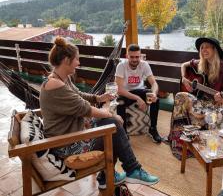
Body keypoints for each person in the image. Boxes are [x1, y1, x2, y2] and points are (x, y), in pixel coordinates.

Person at [39, 37, 159, 190]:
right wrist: (109, 114)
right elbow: (86, 109)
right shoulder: (56, 85)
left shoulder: (60, 79)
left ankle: (108, 176)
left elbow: (79, 95)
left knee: (112, 125)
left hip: (74, 134)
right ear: (66, 60)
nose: (79, 63)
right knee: (114, 125)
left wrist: (99, 98)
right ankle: (132, 169)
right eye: (77, 59)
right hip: (67, 145)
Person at [168, 37, 223, 159]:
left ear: (214, 50)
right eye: (202, 48)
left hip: (214, 105)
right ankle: (179, 139)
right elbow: (183, 65)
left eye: (207, 47)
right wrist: (184, 79)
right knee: (180, 96)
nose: (204, 50)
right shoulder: (199, 63)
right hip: (199, 101)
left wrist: (221, 97)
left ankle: (209, 145)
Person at [115, 44, 162, 143]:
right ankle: (123, 132)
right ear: (127, 56)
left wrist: (153, 93)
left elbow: (154, 83)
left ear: (140, 56)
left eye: (137, 57)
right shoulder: (121, 66)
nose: (135, 59)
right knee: (120, 103)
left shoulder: (144, 64)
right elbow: (119, 90)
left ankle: (152, 129)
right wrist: (138, 99)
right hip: (126, 93)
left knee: (155, 99)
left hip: (140, 90)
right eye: (131, 57)